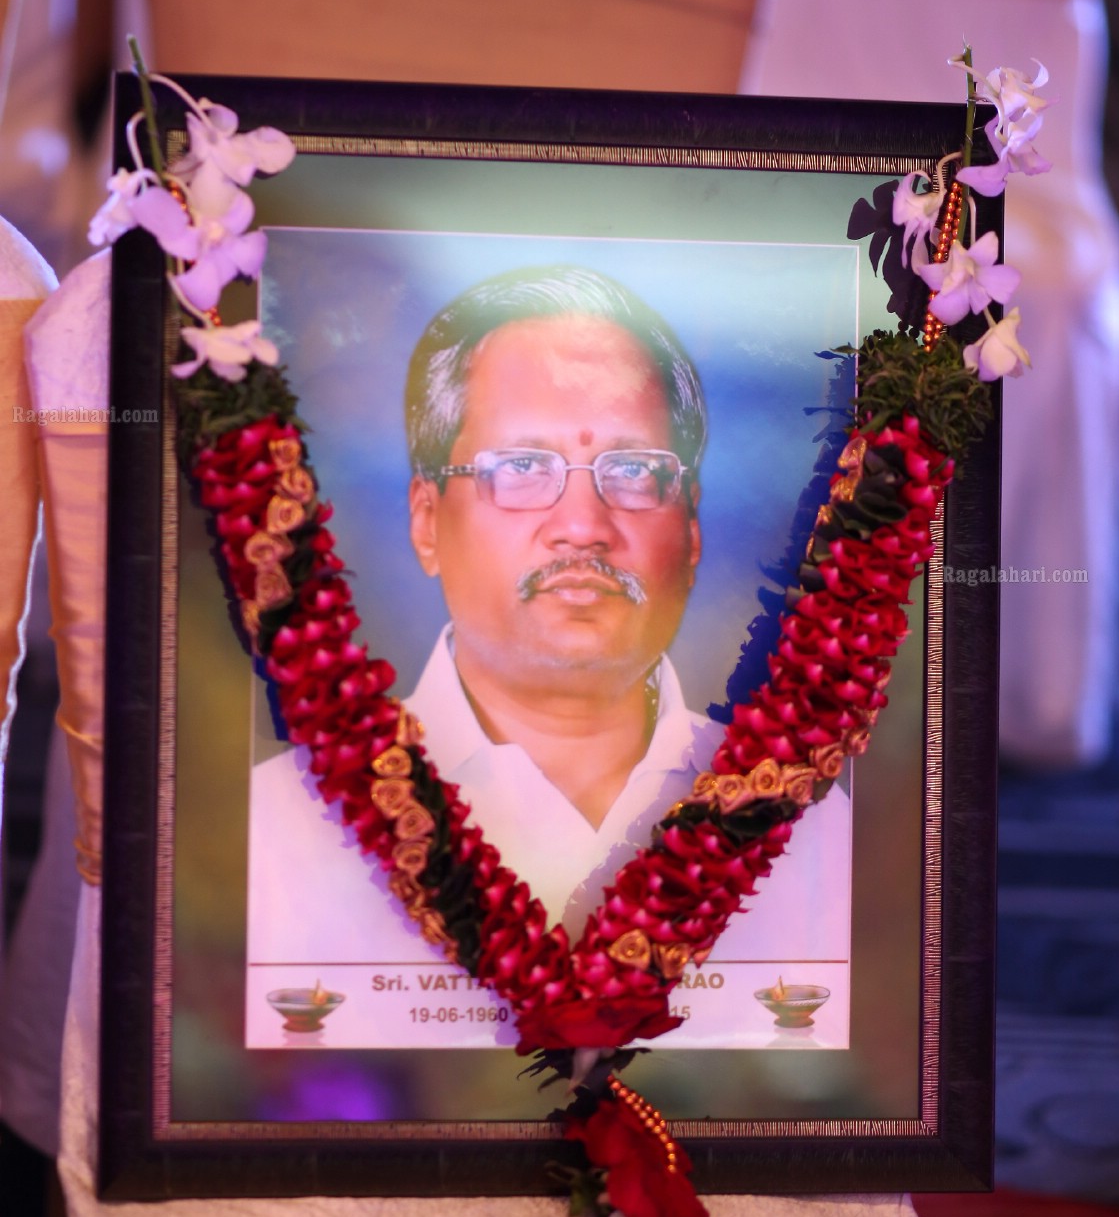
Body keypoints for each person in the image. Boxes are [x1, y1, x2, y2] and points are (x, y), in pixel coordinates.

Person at [248, 266, 850, 1049]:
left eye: (634, 472)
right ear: (427, 521)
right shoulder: (280, 825)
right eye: (521, 468)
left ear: (693, 532)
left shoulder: (815, 834)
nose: (582, 526)